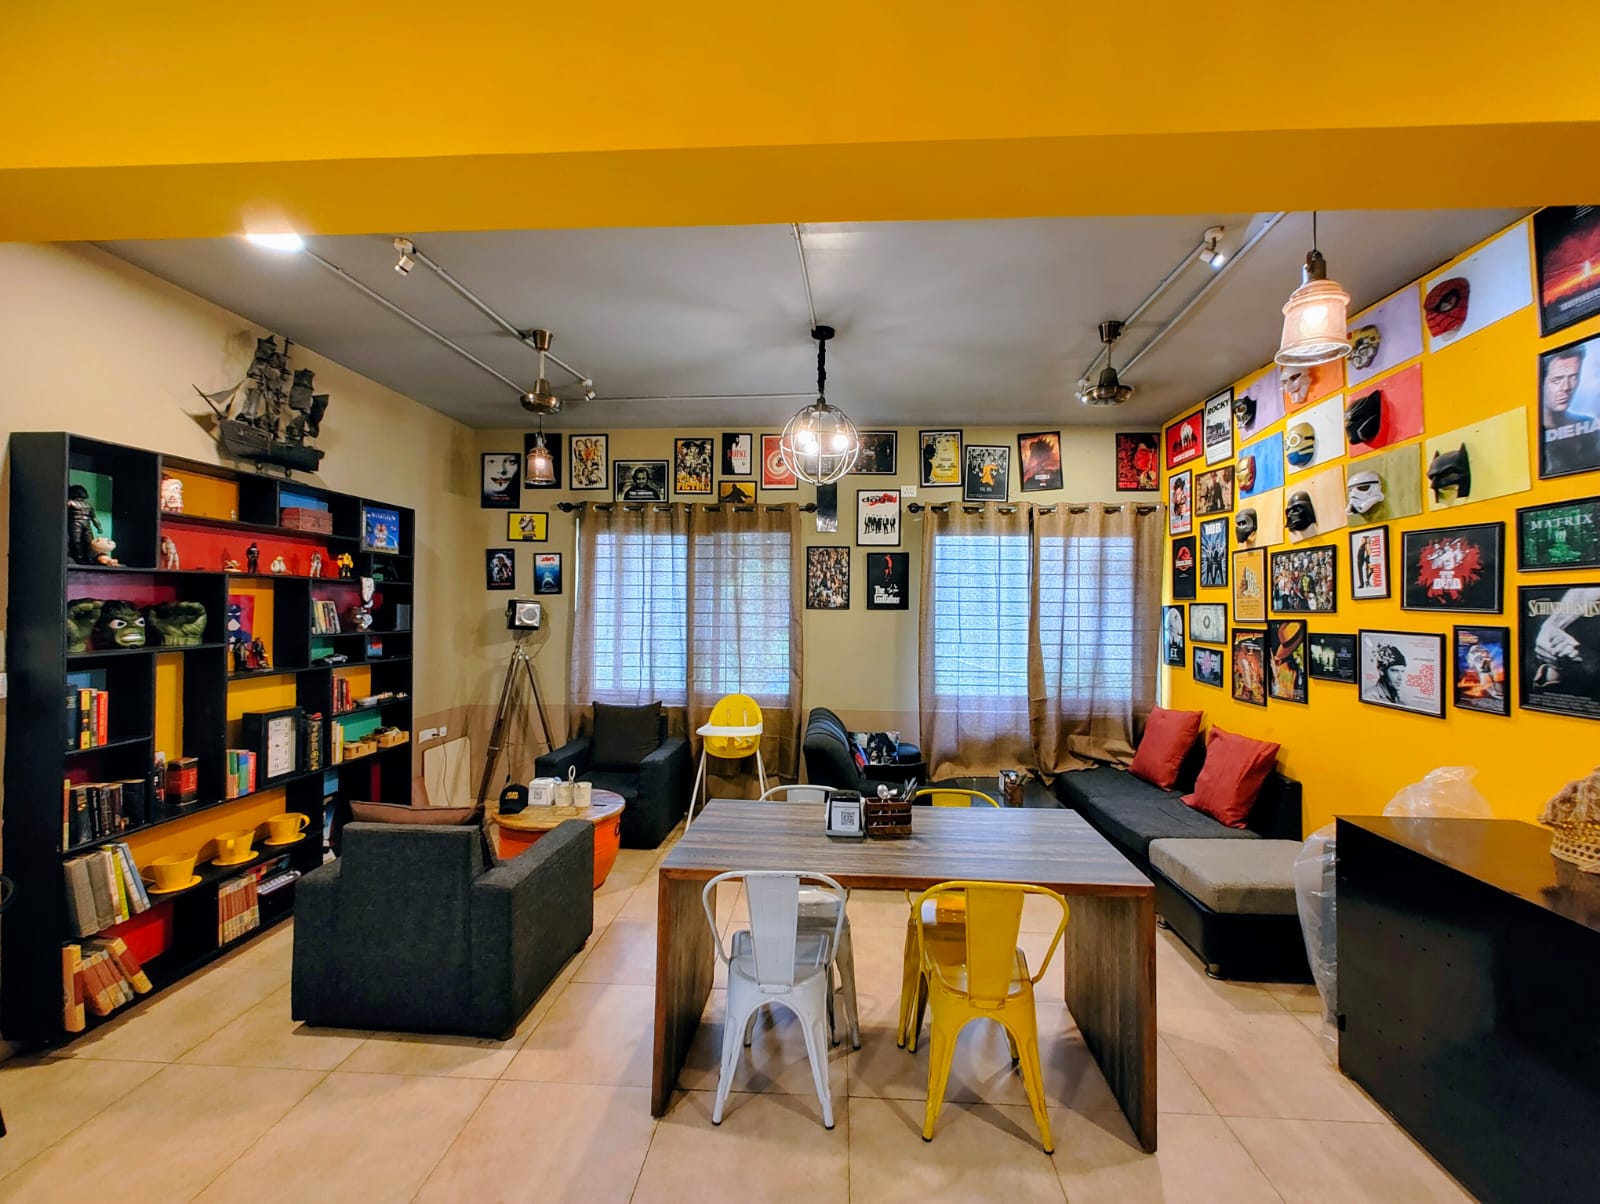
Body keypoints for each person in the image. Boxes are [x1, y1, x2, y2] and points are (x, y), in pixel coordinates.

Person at [1541, 343, 1600, 476]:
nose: (1566, 387)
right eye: (1557, 380)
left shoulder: (1591, 426)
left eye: (1573, 377)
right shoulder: (1524, 434)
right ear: (1541, 382)